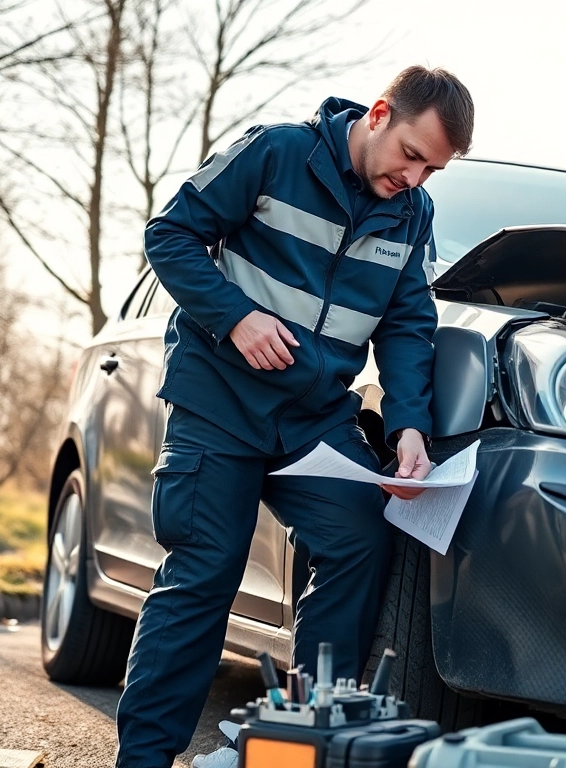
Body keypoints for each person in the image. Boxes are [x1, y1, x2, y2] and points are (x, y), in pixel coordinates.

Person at [114, 66, 475, 768]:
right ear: (379, 115)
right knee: (205, 571)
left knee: (359, 540)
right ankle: (144, 762)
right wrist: (235, 318)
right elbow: (170, 235)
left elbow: (407, 325)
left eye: (432, 170)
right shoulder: (276, 153)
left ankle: (303, 745)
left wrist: (409, 427)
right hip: (219, 400)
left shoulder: (413, 214)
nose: (415, 178)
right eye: (411, 155)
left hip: (313, 419)